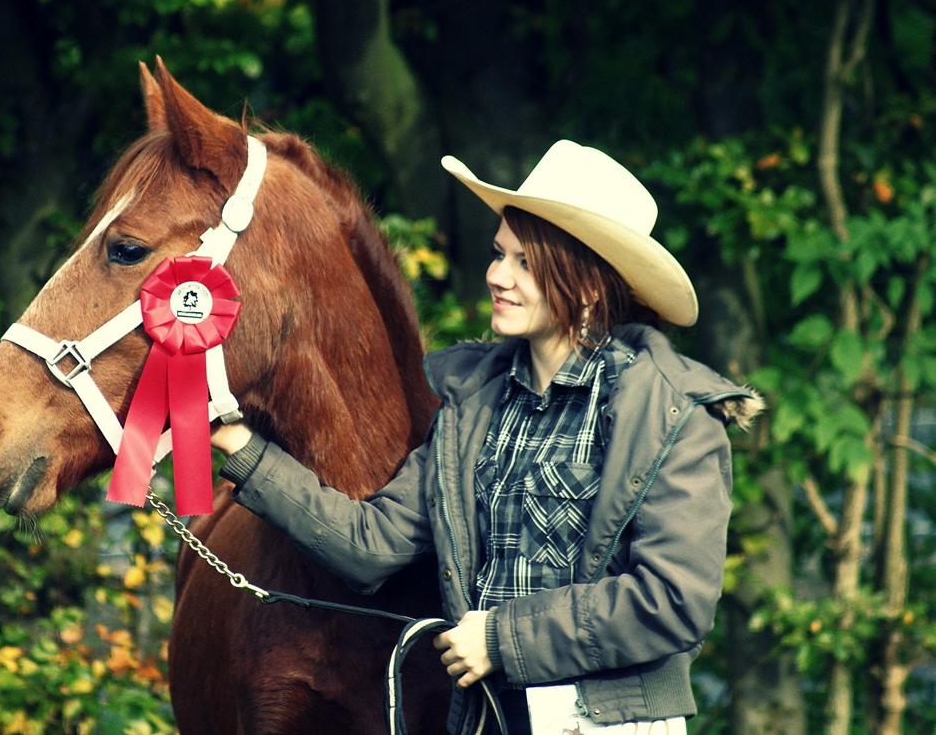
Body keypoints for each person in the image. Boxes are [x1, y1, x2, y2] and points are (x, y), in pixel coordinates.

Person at [210, 139, 762, 734]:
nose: (497, 276)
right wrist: (243, 452)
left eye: (525, 263)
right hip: (484, 717)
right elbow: (373, 544)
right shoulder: (474, 402)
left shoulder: (673, 414)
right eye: (500, 255)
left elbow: (673, 602)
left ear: (589, 285)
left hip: (609, 723)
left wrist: (503, 639)